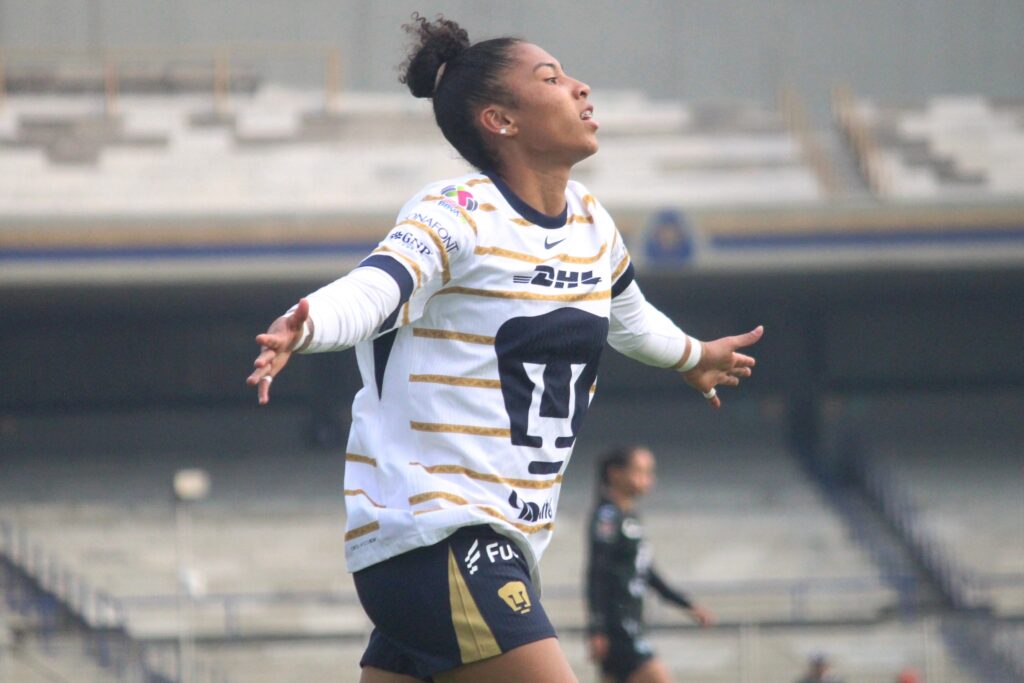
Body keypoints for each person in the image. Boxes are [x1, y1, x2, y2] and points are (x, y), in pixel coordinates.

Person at [247, 13, 762, 683]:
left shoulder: (590, 222)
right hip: (442, 539)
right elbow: (377, 287)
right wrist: (306, 322)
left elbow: (628, 317)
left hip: (494, 546)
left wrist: (693, 354)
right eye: (551, 77)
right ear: (501, 120)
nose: (579, 87)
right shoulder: (456, 211)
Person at [586, 446, 714, 683]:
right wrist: (597, 629)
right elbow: (597, 574)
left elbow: (646, 572)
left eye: (649, 472)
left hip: (631, 623)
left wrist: (686, 604)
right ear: (616, 474)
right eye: (639, 471)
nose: (648, 479)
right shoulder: (607, 517)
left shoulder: (630, 518)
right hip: (618, 628)